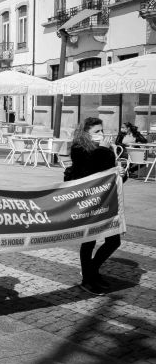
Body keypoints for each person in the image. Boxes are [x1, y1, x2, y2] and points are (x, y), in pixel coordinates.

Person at [68, 117, 128, 295]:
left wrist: (121, 173)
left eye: (102, 131)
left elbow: (110, 175)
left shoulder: (104, 149)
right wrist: (103, 149)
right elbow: (88, 171)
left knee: (113, 240)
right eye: (97, 132)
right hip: (88, 202)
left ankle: (91, 271)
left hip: (105, 201)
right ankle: (88, 279)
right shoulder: (78, 148)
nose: (101, 134)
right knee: (89, 240)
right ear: (85, 133)